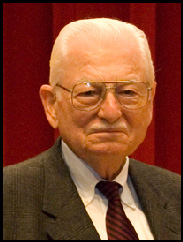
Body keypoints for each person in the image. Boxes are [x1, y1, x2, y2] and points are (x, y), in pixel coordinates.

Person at [3, 18, 181, 240]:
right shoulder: (10, 201)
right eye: (88, 93)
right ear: (51, 104)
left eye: (128, 92)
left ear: (150, 101)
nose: (111, 112)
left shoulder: (175, 195)